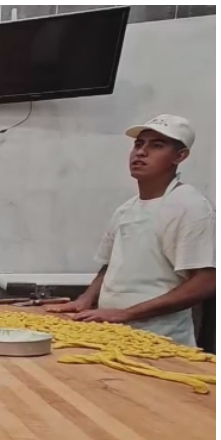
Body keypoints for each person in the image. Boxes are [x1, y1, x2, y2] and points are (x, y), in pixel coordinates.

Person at [43, 115, 215, 346]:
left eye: (157, 145)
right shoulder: (127, 210)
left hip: (161, 341)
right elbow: (110, 266)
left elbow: (206, 281)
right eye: (138, 144)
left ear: (179, 156)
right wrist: (85, 300)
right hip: (112, 333)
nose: (141, 152)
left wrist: (126, 313)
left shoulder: (190, 206)